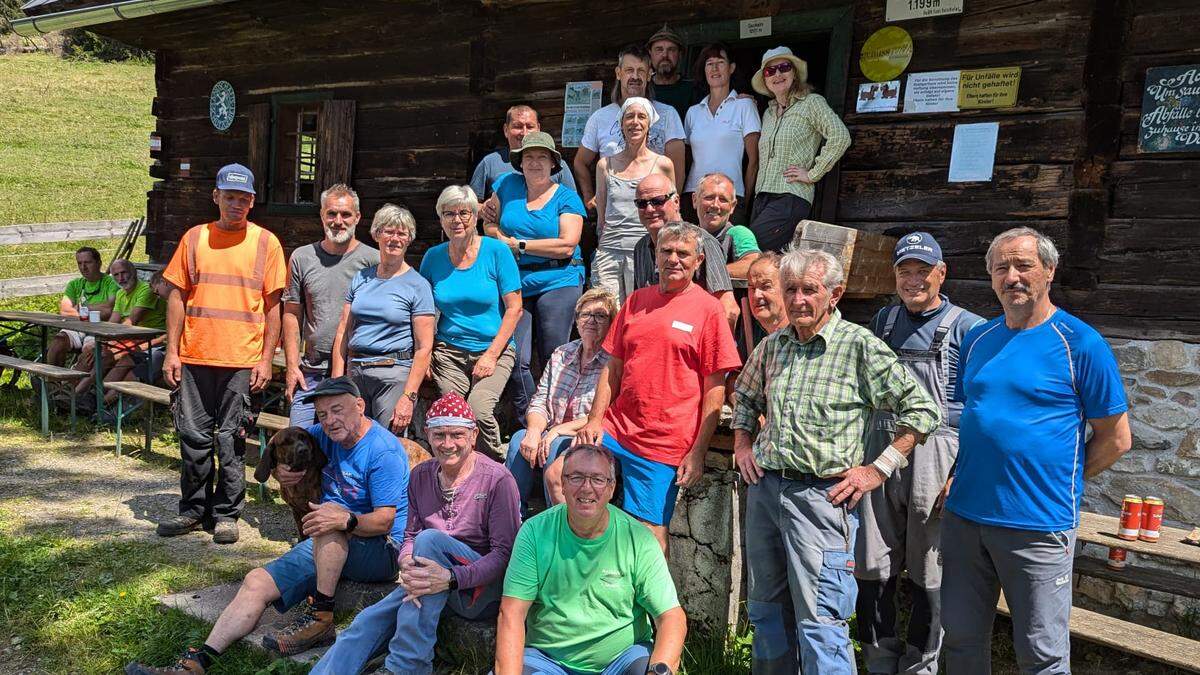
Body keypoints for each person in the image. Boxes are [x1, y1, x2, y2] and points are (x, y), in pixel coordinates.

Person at [731, 247, 940, 674]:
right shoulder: (774, 346)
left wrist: (876, 469)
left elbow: (923, 411)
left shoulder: (859, 346)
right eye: (791, 290)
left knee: (820, 619)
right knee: (766, 609)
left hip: (822, 499)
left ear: (835, 293)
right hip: (768, 492)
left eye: (810, 290)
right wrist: (742, 445)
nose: (798, 300)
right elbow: (745, 398)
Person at [941, 227, 1131, 674]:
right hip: (966, 519)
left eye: (1024, 265)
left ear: (1049, 270)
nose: (1013, 276)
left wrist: (1063, 480)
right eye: (1001, 267)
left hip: (1038, 524)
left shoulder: (1081, 343)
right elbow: (977, 421)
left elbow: (1117, 438)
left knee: (1041, 654)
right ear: (990, 276)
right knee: (962, 641)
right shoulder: (978, 340)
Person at [125, 377, 410, 674]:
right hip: (328, 541)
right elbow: (281, 443)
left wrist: (345, 519)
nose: (330, 421)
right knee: (256, 582)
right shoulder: (325, 435)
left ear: (360, 406)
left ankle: (321, 617)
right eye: (322, 415)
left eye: (337, 410)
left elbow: (384, 521)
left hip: (381, 549)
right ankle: (196, 664)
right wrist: (278, 471)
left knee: (329, 521)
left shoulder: (382, 451)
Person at [311, 392, 520, 675]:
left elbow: (505, 556)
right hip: (429, 582)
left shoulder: (498, 480)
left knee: (429, 540)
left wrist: (451, 578)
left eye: (457, 435)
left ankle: (406, 666)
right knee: (366, 622)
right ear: (428, 435)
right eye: (439, 435)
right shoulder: (421, 474)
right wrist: (407, 562)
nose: (448, 444)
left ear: (473, 435)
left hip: (478, 590)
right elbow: (409, 536)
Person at [854, 232, 984, 675]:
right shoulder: (883, 322)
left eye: (922, 272)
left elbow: (982, 413)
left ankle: (920, 665)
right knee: (873, 562)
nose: (913, 281)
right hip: (880, 449)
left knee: (931, 570)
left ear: (941, 273)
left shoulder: (969, 328)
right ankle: (878, 659)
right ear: (895, 276)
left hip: (938, 456)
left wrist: (962, 473)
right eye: (905, 271)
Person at [576, 223, 741, 553]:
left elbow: (714, 389)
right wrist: (595, 420)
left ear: (699, 261)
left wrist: (698, 452)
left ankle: (654, 604)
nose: (674, 259)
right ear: (655, 257)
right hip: (617, 430)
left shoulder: (709, 310)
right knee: (561, 473)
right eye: (667, 251)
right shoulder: (637, 301)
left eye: (683, 253)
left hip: (663, 442)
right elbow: (613, 368)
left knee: (649, 533)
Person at [156, 163, 286, 545]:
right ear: (216, 197)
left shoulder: (267, 243)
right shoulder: (194, 238)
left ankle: (227, 514)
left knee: (231, 439)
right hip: (195, 356)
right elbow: (176, 296)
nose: (237, 204)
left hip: (241, 361)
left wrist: (265, 358)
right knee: (193, 438)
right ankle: (193, 511)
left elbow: (273, 306)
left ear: (252, 201)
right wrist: (171, 352)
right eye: (230, 197)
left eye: (244, 198)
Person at [494, 444, 687, 675]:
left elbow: (671, 617)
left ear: (611, 487)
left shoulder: (639, 539)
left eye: (597, 479)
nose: (586, 488)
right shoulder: (534, 532)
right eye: (576, 477)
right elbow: (512, 613)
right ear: (562, 484)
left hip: (622, 660)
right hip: (549, 660)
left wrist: (658, 671)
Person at [482, 131, 587, 423]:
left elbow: (567, 244)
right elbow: (488, 223)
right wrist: (499, 237)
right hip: (516, 282)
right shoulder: (505, 185)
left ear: (554, 164)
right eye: (529, 157)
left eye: (542, 157)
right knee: (516, 357)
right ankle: (531, 421)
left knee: (554, 353)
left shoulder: (567, 197)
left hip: (559, 279)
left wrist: (519, 245)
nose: (535, 163)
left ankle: (557, 421)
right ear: (520, 162)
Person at [420, 185, 522, 459]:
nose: (457, 220)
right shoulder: (433, 257)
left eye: (464, 212)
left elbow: (515, 309)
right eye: (449, 213)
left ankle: (494, 469)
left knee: (477, 408)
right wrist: (425, 354)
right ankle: (457, 471)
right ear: (440, 219)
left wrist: (490, 355)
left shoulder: (497, 252)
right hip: (449, 351)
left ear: (475, 215)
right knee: (452, 413)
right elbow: (423, 313)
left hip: (494, 349)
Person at [505, 288, 616, 518]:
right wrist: (535, 431)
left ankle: (556, 522)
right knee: (519, 441)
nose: (591, 321)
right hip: (550, 430)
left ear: (612, 324)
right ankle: (512, 519)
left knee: (556, 446)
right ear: (576, 321)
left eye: (600, 316)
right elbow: (540, 399)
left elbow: (605, 413)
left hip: (585, 436)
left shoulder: (612, 363)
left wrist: (557, 431)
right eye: (586, 314)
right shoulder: (561, 354)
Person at [329, 204, 434, 434]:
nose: (394, 238)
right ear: (377, 234)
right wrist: (338, 380)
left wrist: (408, 397)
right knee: (352, 438)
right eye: (388, 231)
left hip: (393, 374)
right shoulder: (361, 278)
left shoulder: (418, 285)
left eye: (401, 233)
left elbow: (424, 348)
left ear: (409, 239)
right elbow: (343, 331)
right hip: (356, 373)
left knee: (386, 442)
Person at [282, 183, 380, 427]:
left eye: (346, 214)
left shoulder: (373, 260)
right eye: (332, 214)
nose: (338, 221)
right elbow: (292, 314)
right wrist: (292, 366)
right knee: (300, 438)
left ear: (357, 217)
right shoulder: (302, 257)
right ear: (322, 215)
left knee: (348, 442)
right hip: (311, 371)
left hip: (355, 371)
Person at [749, 46, 851, 251]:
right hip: (762, 198)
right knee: (769, 261)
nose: (777, 74)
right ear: (765, 79)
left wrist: (813, 174)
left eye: (784, 67)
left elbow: (841, 136)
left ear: (794, 72)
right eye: (770, 71)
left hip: (790, 196)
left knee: (753, 249)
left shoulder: (812, 103)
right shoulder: (768, 113)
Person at [573, 43, 686, 209]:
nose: (635, 76)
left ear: (649, 75)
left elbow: (677, 171)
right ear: (618, 73)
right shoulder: (600, 118)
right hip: (615, 212)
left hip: (655, 209)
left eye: (641, 71)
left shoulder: (668, 115)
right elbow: (580, 162)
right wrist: (589, 197)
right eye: (629, 70)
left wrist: (670, 207)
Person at [593, 97, 676, 302]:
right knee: (608, 314)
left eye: (641, 117)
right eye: (629, 116)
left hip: (644, 253)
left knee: (640, 314)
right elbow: (601, 217)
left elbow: (672, 212)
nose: (635, 122)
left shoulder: (663, 164)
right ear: (621, 123)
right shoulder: (605, 165)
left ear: (649, 124)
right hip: (609, 254)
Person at [628, 174, 738, 328]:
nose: (650, 209)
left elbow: (727, 309)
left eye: (658, 201)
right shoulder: (640, 248)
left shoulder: (702, 241)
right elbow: (638, 306)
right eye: (641, 203)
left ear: (676, 201)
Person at [71, 258, 167, 405]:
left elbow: (130, 323)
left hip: (150, 339)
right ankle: (71, 391)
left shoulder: (146, 291)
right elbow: (113, 322)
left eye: (124, 273)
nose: (121, 278)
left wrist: (106, 342)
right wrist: (102, 341)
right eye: (116, 275)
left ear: (134, 272)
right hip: (133, 338)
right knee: (92, 351)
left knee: (107, 355)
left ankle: (85, 397)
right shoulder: (121, 294)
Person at [684, 44, 761, 226]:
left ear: (731, 68)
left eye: (720, 62)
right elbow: (686, 160)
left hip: (730, 198)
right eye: (709, 64)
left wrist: (744, 201)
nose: (715, 68)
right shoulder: (693, 112)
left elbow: (754, 161)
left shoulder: (744, 106)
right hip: (694, 197)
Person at [470, 105, 577, 200]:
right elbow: (470, 206)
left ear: (538, 129)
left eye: (530, 127)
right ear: (506, 130)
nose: (524, 133)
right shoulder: (489, 163)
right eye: (518, 126)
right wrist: (485, 209)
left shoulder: (558, 165)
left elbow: (572, 205)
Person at [46, 245, 120, 367]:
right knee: (58, 341)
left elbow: (108, 310)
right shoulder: (74, 284)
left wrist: (81, 308)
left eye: (87, 262)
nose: (83, 267)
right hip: (77, 327)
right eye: (79, 263)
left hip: (99, 330)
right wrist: (94, 311)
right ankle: (52, 382)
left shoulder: (111, 283)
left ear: (99, 263)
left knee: (90, 352)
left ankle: (73, 384)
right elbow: (64, 311)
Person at [691, 173, 761, 279]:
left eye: (723, 199)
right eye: (709, 197)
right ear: (695, 200)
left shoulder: (738, 233)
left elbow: (754, 266)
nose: (715, 205)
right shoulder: (686, 235)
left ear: (732, 206)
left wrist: (703, 273)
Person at [646, 23, 694, 122]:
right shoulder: (643, 89)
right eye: (659, 49)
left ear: (679, 54)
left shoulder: (693, 90)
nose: (665, 55)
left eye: (671, 50)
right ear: (650, 53)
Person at [745, 253, 789, 336]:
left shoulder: (801, 339)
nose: (756, 295)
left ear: (787, 288)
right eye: (752, 288)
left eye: (766, 286)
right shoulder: (764, 344)